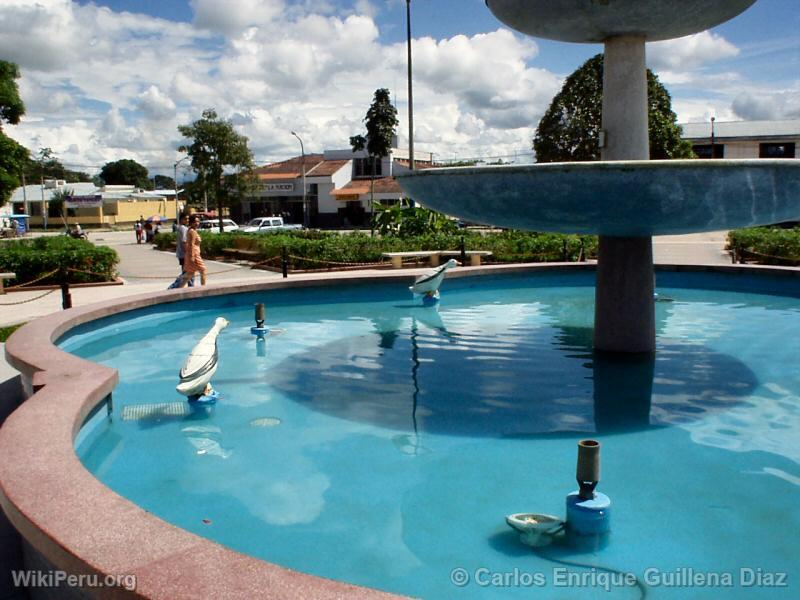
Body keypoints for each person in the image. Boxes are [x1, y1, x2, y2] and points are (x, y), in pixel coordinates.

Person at [168, 213, 194, 289]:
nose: (187, 220)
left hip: (182, 254)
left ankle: (189, 286)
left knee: (188, 272)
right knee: (187, 273)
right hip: (184, 254)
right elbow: (184, 242)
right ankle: (174, 286)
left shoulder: (182, 228)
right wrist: (189, 254)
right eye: (185, 219)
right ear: (181, 220)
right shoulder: (183, 228)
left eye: (188, 219)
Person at [180, 215, 207, 286]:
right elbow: (191, 244)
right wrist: (192, 256)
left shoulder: (191, 230)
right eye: (195, 222)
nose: (197, 223)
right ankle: (204, 288)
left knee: (190, 273)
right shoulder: (192, 231)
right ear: (191, 223)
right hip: (194, 254)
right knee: (203, 270)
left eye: (198, 221)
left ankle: (180, 288)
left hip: (191, 253)